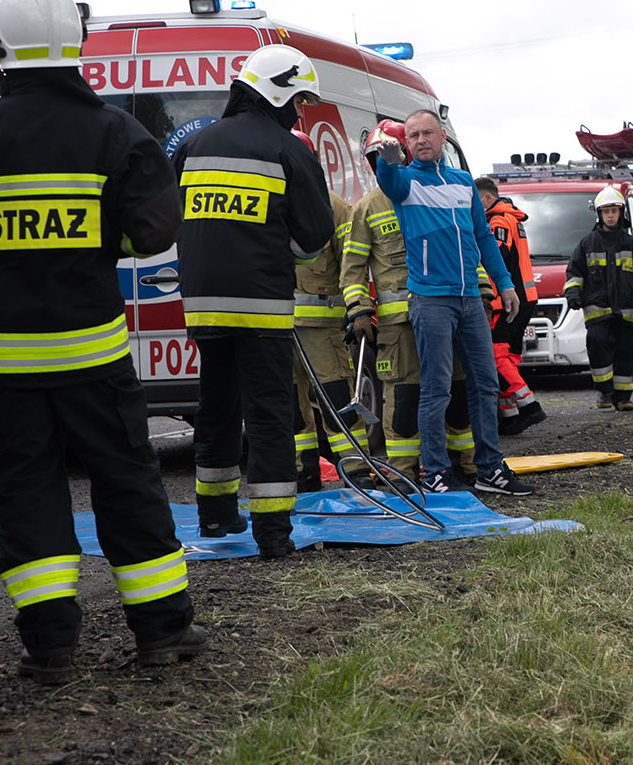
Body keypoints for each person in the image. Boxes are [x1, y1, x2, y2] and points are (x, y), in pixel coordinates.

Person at [0, 0, 201, 684]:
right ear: (74, 41)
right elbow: (156, 229)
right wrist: (98, 239)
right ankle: (162, 634)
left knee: (25, 490)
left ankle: (50, 646)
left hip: (8, 365)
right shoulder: (116, 132)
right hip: (93, 354)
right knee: (127, 484)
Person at [174, 43, 335, 558]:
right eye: (299, 99)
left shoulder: (193, 146)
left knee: (215, 407)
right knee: (269, 412)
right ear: (280, 91)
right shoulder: (289, 149)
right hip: (261, 304)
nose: (299, 110)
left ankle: (215, 517)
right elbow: (313, 239)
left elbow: (170, 218)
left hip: (201, 304)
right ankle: (272, 533)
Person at [369, 110, 535, 495]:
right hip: (430, 300)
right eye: (413, 136)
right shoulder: (404, 180)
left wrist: (506, 284)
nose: (421, 140)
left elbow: (483, 239)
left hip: (469, 300)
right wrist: (388, 160)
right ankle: (435, 474)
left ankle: (490, 469)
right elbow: (388, 181)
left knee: (486, 383)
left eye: (427, 133)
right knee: (437, 388)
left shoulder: (463, 183)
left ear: (443, 137)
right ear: (406, 143)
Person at [342, 122, 476, 484]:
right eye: (374, 157)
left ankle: (464, 465)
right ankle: (403, 473)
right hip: (398, 324)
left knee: (458, 391)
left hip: (447, 311)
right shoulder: (368, 208)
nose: (380, 162)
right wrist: (358, 310)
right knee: (404, 396)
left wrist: (484, 293)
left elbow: (465, 247)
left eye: (386, 153)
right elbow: (352, 268)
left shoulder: (432, 193)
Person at [288, 131, 365, 493]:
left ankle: (357, 470)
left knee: (336, 396)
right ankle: (303, 471)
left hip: (321, 329)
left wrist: (358, 310)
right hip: (277, 326)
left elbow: (353, 265)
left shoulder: (333, 208)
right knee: (290, 403)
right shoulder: (271, 202)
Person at [565, 187, 633, 408]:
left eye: (614, 211)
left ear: (621, 213)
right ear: (598, 214)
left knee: (626, 351)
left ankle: (623, 398)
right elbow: (574, 273)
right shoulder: (586, 244)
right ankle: (604, 392)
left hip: (626, 309)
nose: (610, 215)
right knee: (597, 342)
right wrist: (573, 294)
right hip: (597, 309)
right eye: (606, 211)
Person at [474, 175, 546, 432]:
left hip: (508, 299)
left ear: (486, 199)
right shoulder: (510, 216)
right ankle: (511, 414)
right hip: (522, 297)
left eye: (475, 200)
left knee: (496, 356)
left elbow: (495, 251)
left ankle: (529, 407)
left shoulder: (498, 219)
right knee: (509, 357)